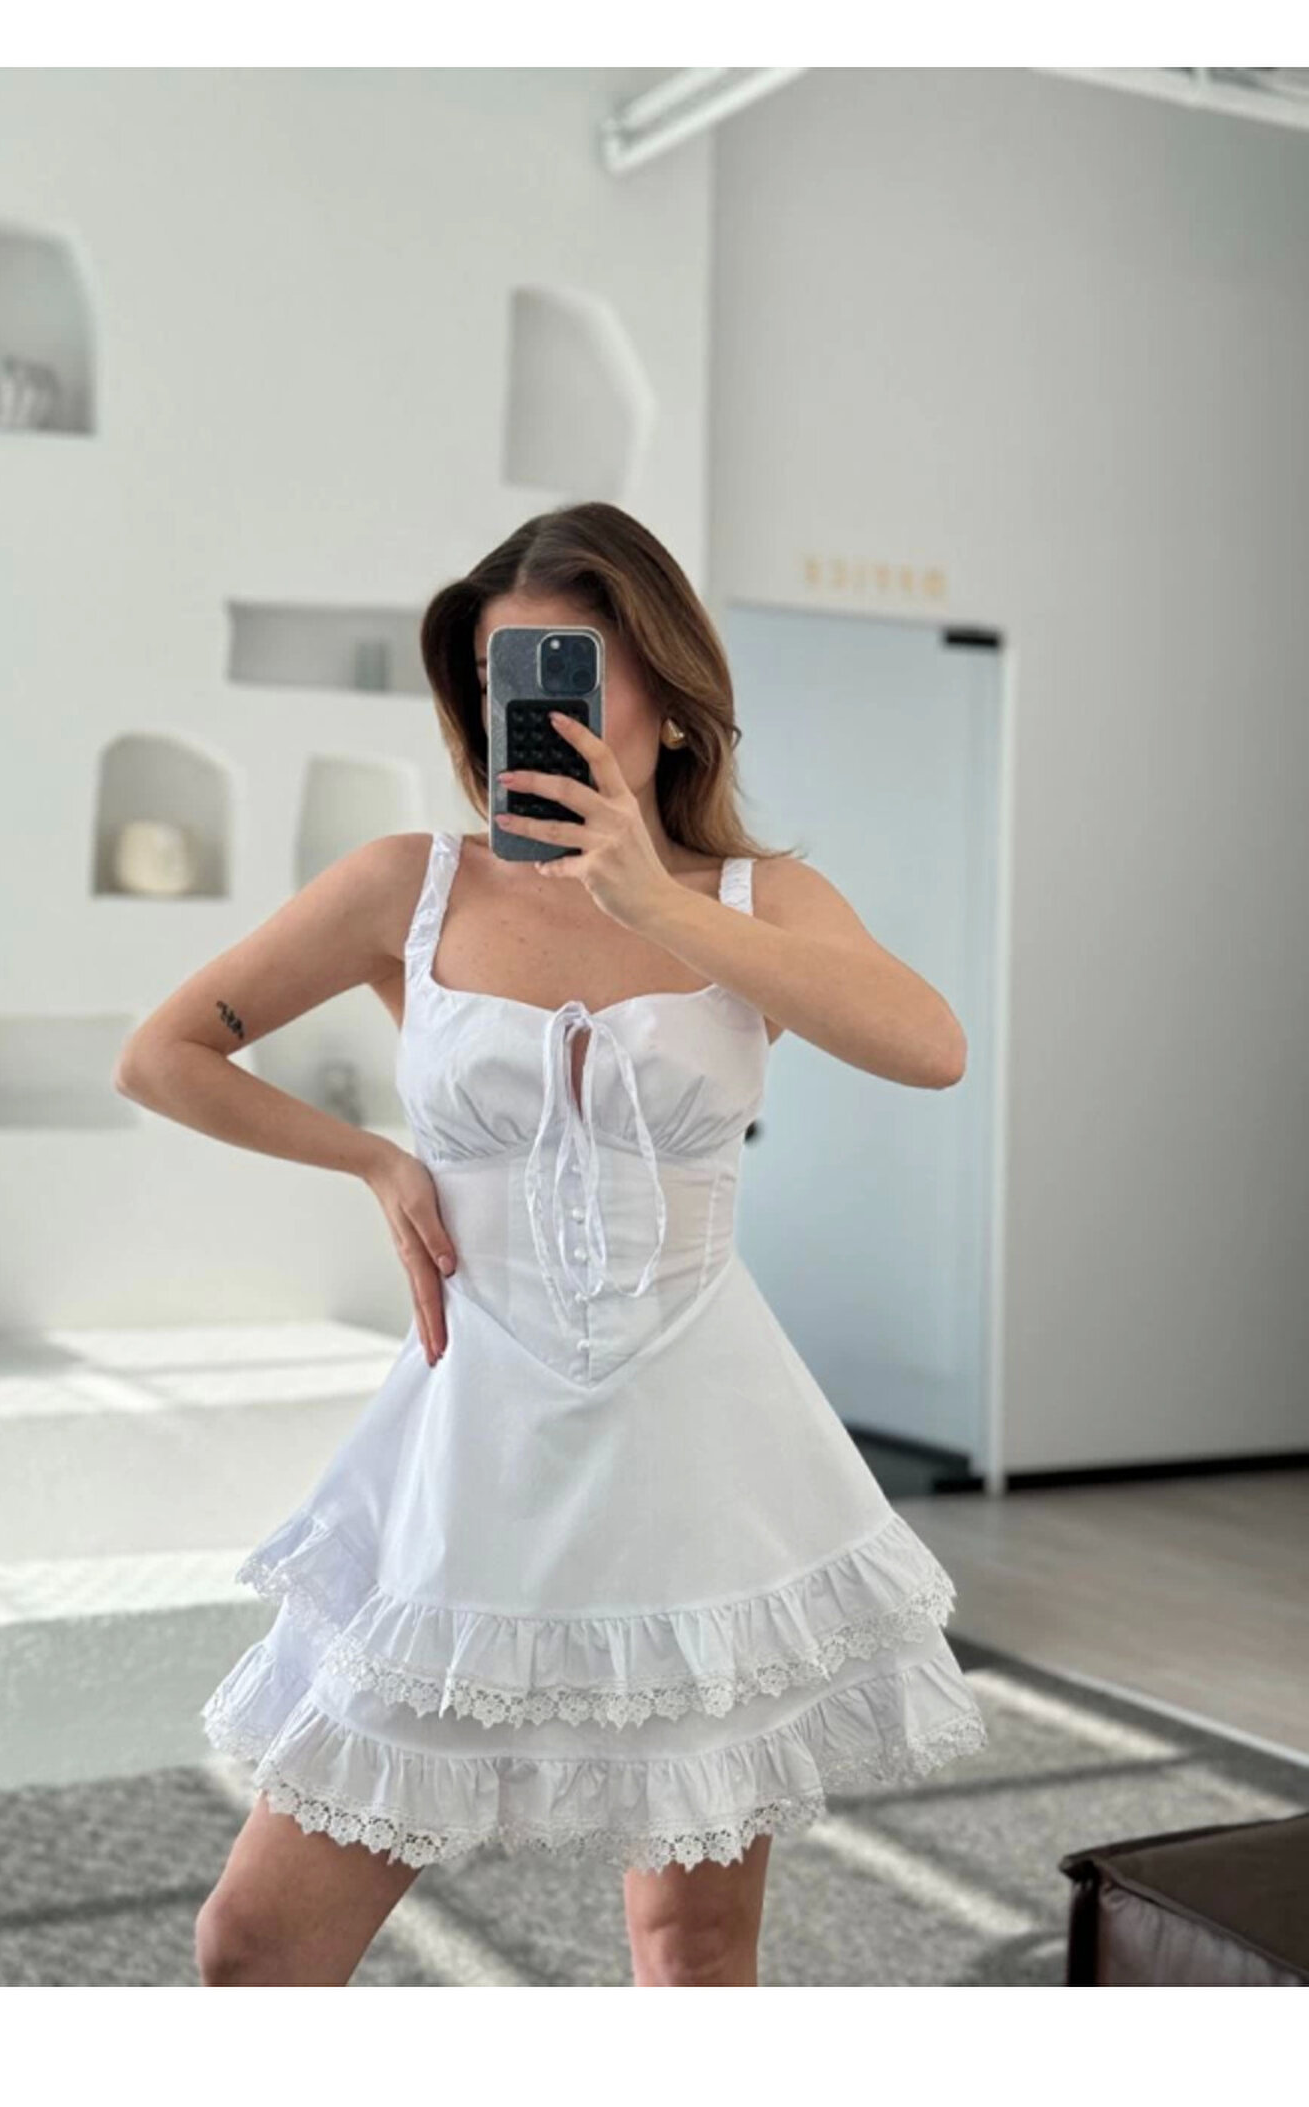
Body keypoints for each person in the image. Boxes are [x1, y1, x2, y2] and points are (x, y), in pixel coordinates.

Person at [114, 500, 990, 1987]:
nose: (530, 709)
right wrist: (374, 1159)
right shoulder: (410, 886)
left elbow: (932, 1047)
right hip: (476, 1444)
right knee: (252, 1946)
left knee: (689, 1941)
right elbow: (164, 1055)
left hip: (702, 1461)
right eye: (500, 677)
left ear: (668, 694)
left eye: (569, 669)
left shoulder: (761, 903)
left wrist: (655, 900)